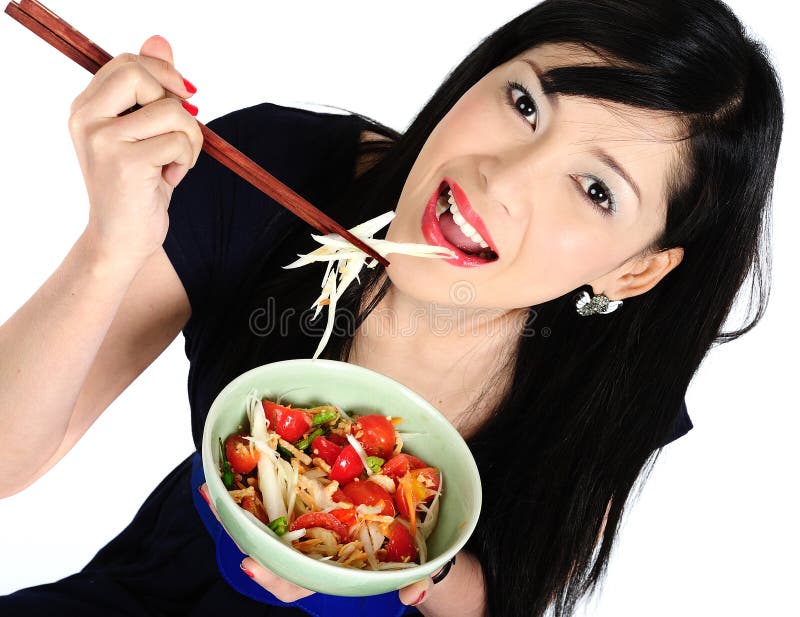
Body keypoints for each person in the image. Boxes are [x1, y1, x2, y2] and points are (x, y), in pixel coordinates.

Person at [0, 0, 782, 615]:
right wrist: (111, 245)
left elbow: (510, 593)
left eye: (597, 189)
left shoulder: (618, 382)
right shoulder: (273, 173)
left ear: (637, 270)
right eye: (524, 102)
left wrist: (396, 568)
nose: (502, 179)